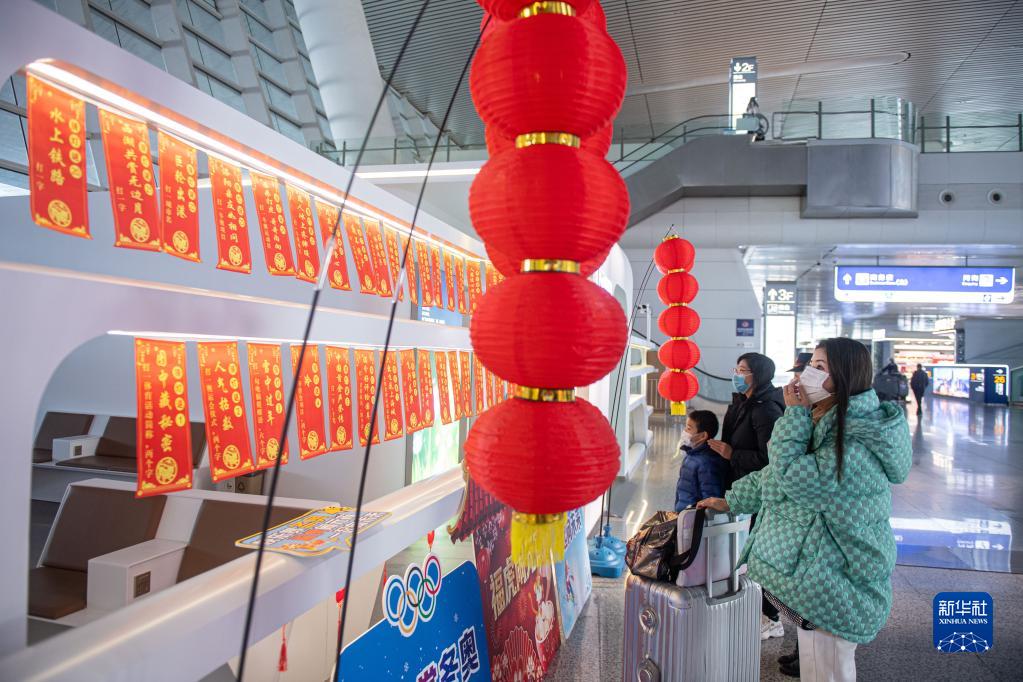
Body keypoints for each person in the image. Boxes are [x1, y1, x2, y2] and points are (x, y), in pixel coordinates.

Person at [698, 338, 912, 682]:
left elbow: (794, 477)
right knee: (817, 661)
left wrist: (794, 415)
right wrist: (734, 499)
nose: (808, 373)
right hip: (820, 570)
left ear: (845, 376)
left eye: (820, 366)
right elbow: (776, 475)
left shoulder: (854, 440)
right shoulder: (827, 421)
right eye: (811, 364)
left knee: (828, 668)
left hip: (840, 575)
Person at [708, 352, 784, 639]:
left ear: (758, 375)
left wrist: (733, 454)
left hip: (759, 492)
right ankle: (755, 609)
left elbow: (771, 459)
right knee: (746, 552)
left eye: (743, 370)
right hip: (741, 487)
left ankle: (771, 616)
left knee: (761, 554)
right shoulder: (743, 402)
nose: (736, 375)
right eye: (736, 368)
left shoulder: (766, 410)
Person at [673, 410, 728, 512]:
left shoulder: (707, 463)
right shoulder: (691, 454)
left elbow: (711, 499)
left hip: (693, 516)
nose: (684, 431)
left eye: (689, 428)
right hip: (683, 513)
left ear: (703, 436)